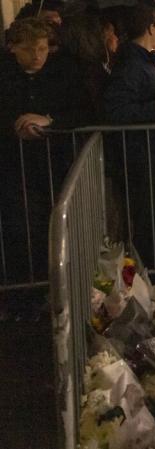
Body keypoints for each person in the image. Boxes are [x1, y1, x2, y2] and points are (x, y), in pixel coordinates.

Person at [0, 17, 81, 284]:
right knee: (18, 229)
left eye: (43, 49)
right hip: (14, 167)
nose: (37, 56)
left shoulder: (62, 73)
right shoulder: (6, 74)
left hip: (53, 164)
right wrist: (15, 125)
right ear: (13, 48)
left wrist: (49, 120)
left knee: (55, 227)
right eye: (29, 49)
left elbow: (82, 112)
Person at [102, 6, 155, 267]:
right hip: (142, 155)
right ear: (151, 28)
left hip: (153, 151)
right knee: (145, 220)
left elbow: (151, 92)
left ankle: (150, 271)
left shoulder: (144, 60)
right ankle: (142, 274)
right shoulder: (131, 64)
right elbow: (116, 110)